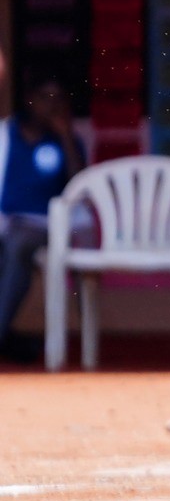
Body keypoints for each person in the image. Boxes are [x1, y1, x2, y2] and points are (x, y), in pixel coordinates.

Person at [0, 79, 84, 363]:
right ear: (29, 99)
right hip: (5, 221)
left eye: (59, 97)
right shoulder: (6, 133)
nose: (52, 104)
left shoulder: (68, 141)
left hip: (45, 225)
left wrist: (66, 138)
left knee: (17, 245)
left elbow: (80, 190)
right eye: (45, 96)